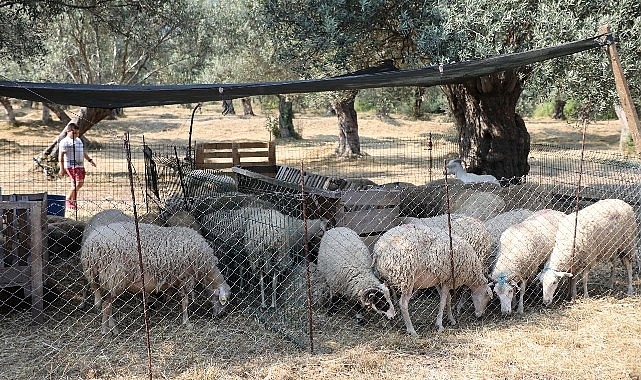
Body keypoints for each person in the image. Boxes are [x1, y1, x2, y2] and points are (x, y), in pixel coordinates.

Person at [58, 122, 96, 210]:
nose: (76, 135)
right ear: (68, 131)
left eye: (78, 133)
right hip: (71, 166)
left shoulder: (78, 140)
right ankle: (68, 199)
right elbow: (61, 156)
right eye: (74, 133)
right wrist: (61, 168)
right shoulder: (65, 142)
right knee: (78, 183)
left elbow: (82, 152)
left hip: (80, 165)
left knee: (76, 184)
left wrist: (90, 160)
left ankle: (73, 202)